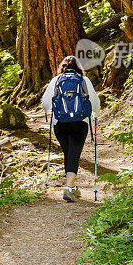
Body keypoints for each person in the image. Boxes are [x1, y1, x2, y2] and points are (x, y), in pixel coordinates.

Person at [41, 55, 100, 202]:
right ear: (79, 67)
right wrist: (94, 115)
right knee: (74, 153)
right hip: (80, 123)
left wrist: (50, 112)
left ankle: (72, 187)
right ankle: (68, 188)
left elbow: (45, 104)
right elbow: (95, 103)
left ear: (63, 67)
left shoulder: (56, 80)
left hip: (60, 124)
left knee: (68, 153)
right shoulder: (84, 80)